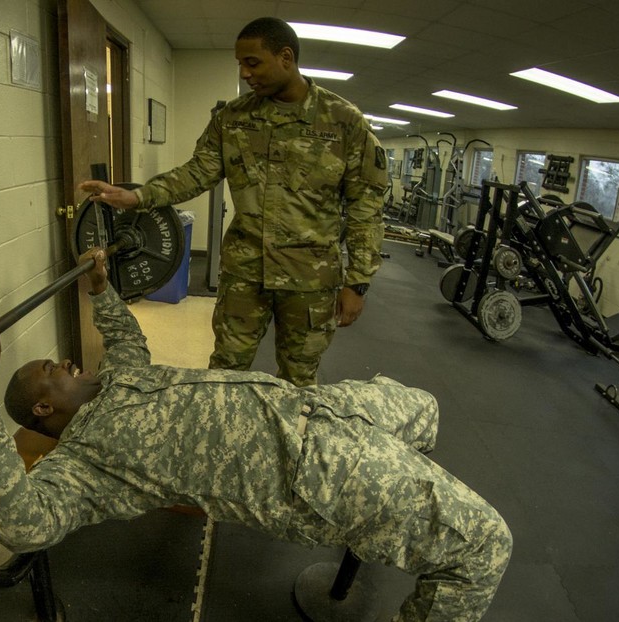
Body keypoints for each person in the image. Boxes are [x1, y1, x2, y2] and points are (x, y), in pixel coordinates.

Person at [0, 248, 512, 621]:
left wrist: (100, 286)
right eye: (52, 368)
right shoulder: (88, 466)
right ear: (44, 408)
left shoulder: (118, 379)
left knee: (425, 408)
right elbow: (23, 525)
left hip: (319, 407)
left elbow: (123, 338)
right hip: (317, 469)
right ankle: (396, 514)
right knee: (485, 545)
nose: (66, 362)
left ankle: (399, 516)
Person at [78, 17, 389, 387]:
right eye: (240, 64)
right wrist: (137, 197)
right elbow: (196, 172)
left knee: (299, 379)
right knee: (225, 371)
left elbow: (365, 209)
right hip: (246, 273)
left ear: (286, 57)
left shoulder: (344, 122)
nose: (244, 73)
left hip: (310, 280)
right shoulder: (234, 119)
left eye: (253, 62)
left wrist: (358, 283)